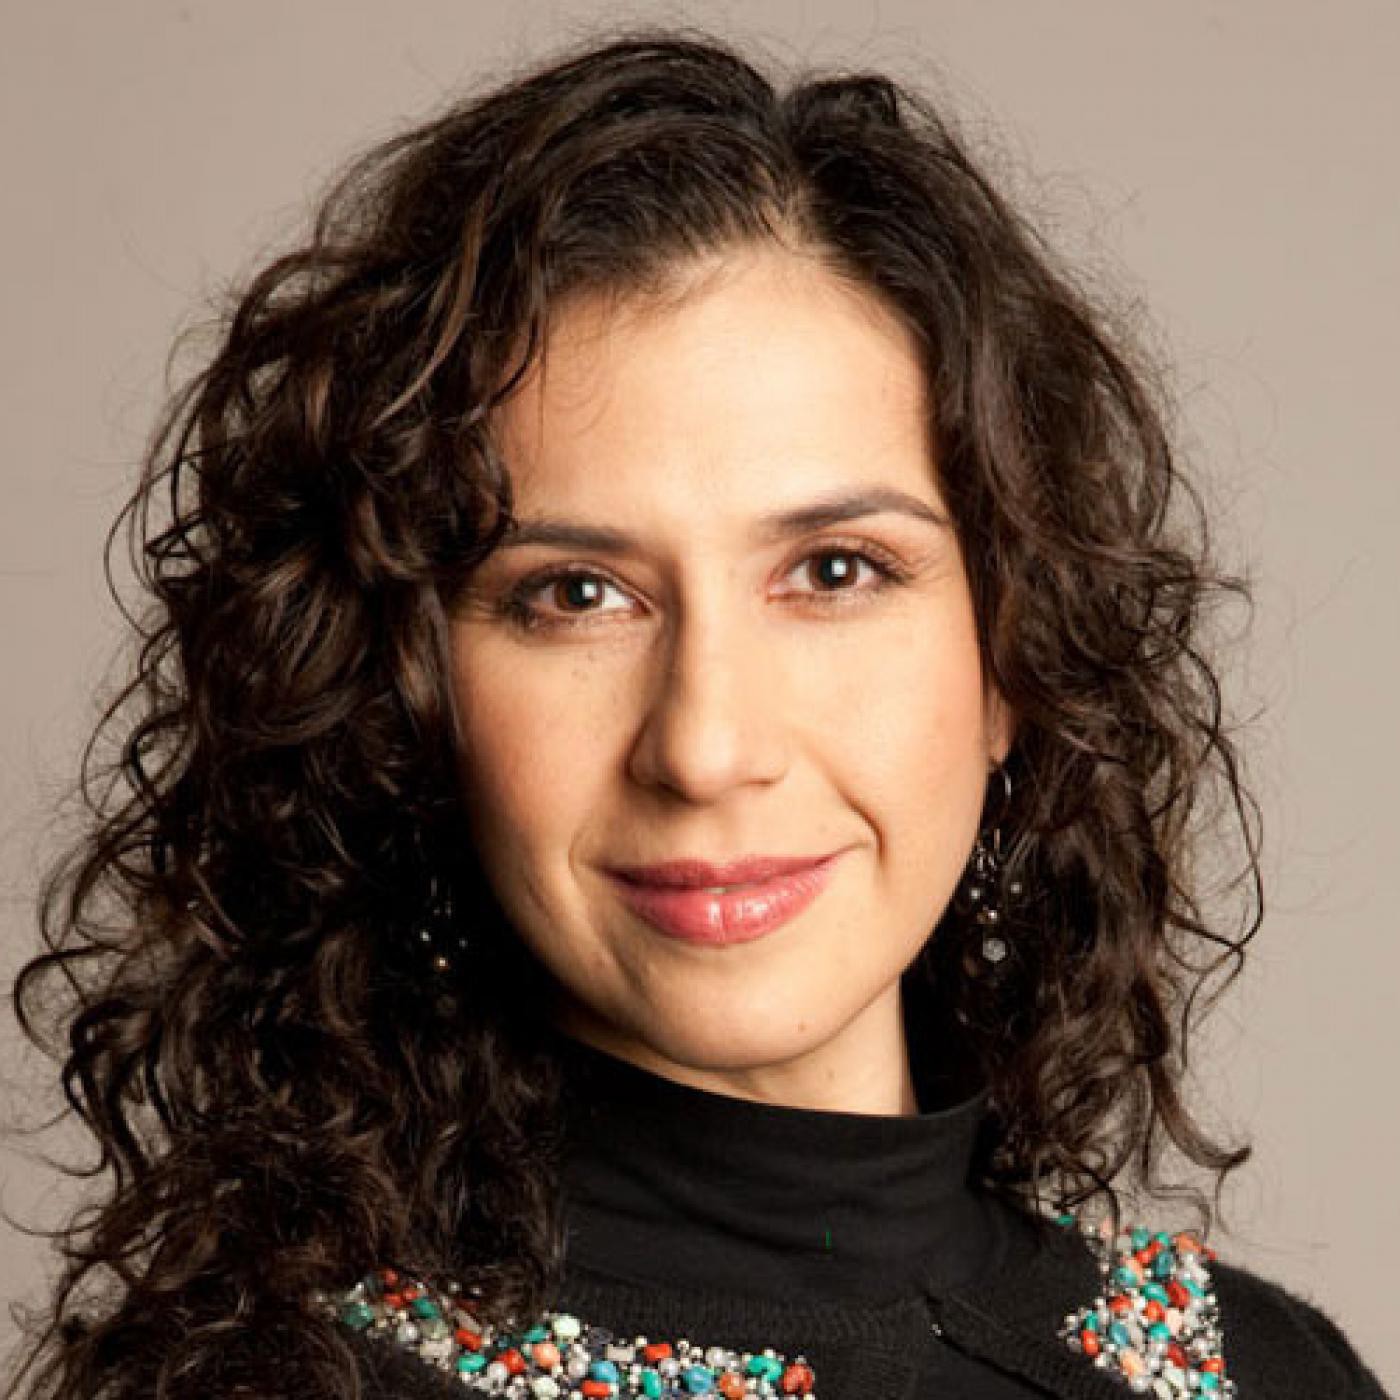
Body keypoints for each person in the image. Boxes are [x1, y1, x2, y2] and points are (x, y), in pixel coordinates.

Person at [4, 25, 1387, 1400]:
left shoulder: (1273, 1372)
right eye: (576, 595)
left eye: (834, 572)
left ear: (1013, 659)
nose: (707, 747)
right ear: (408, 694)